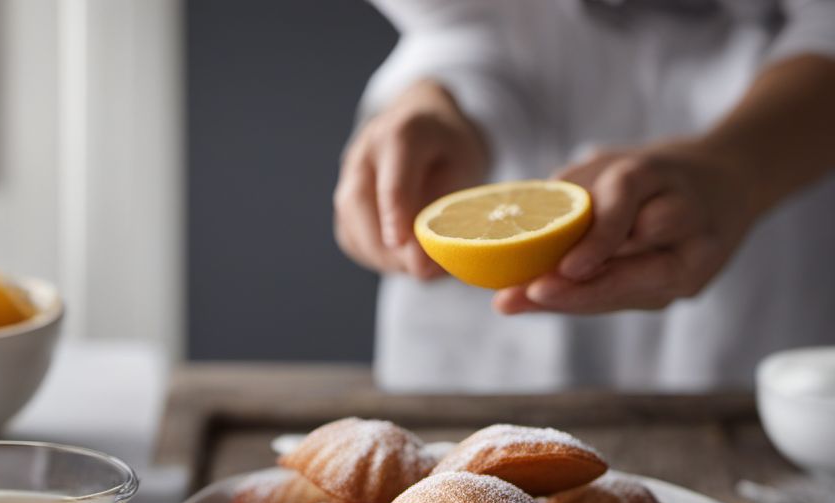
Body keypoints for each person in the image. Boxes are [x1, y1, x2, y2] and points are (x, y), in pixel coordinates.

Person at [334, 0, 835, 392]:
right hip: (486, 232)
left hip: (778, 140)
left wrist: (736, 169)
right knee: (456, 500)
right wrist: (440, 102)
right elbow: (460, 18)